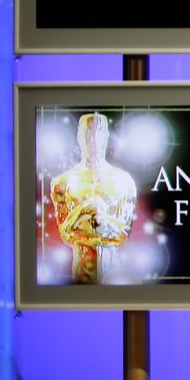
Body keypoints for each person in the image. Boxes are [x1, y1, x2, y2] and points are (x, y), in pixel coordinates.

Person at [50, 112, 138, 284]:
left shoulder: (124, 181)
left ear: (106, 136)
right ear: (79, 136)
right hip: (82, 268)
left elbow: (124, 233)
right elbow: (65, 233)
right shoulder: (63, 182)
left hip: (112, 268)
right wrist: (85, 209)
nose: (93, 140)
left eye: (98, 133)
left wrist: (99, 217)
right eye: (87, 133)